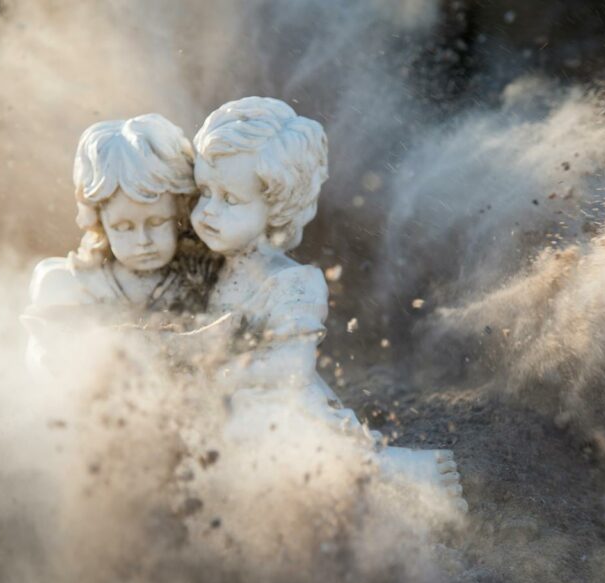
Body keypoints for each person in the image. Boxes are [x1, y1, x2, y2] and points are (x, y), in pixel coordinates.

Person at [188, 97, 465, 508]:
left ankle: (399, 472)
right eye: (204, 192)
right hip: (230, 397)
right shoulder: (214, 266)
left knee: (266, 439)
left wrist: (212, 370)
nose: (208, 211)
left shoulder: (294, 282)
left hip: (276, 407)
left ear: (278, 207)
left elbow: (290, 370)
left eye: (230, 199)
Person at [23, 115, 219, 373]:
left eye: (157, 221)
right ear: (99, 220)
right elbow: (41, 367)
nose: (143, 241)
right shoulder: (74, 284)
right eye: (123, 227)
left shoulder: (204, 277)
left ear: (181, 213)